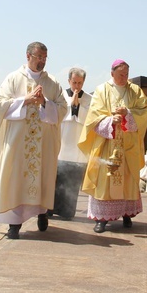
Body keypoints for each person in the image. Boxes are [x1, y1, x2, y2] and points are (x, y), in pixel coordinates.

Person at [0, 42, 68, 239]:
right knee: (15, 179)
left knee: (41, 176)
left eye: (45, 57)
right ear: (28, 56)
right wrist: (25, 100)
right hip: (17, 143)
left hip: (43, 143)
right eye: (38, 57)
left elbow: (62, 109)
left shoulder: (52, 83)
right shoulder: (13, 78)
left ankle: (42, 212)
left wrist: (43, 103)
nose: (42, 61)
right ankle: (13, 225)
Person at [78, 59, 147, 233]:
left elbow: (145, 110)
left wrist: (128, 115)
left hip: (127, 144)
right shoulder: (102, 90)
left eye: (126, 74)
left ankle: (126, 214)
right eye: (120, 74)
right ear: (112, 74)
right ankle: (101, 218)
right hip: (107, 143)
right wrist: (110, 120)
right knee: (105, 179)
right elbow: (93, 115)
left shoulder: (135, 90)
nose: (124, 78)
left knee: (127, 178)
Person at [53, 67, 92, 219]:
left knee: (72, 182)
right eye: (74, 82)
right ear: (69, 81)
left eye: (80, 83)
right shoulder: (61, 95)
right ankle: (50, 209)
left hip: (77, 148)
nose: (77, 86)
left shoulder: (89, 99)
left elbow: (89, 119)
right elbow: (57, 114)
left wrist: (77, 107)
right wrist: (71, 105)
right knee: (56, 180)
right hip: (62, 143)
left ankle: (67, 211)